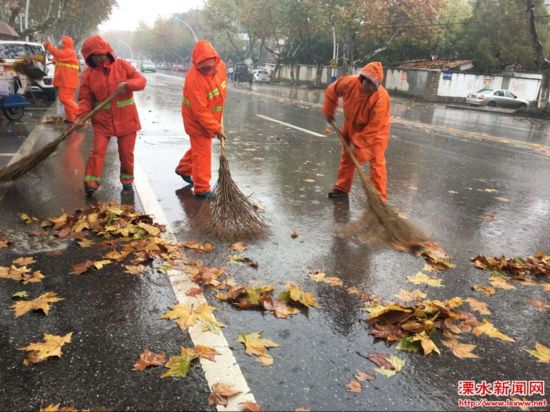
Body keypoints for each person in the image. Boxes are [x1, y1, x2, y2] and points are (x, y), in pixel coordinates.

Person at [74, 35, 146, 195]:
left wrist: (128, 84)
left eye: (101, 55)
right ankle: (91, 183)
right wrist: (80, 117)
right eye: (95, 56)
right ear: (89, 57)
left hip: (127, 120)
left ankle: (127, 181)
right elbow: (85, 98)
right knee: (97, 152)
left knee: (126, 154)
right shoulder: (88, 74)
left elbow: (141, 80)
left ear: (107, 52)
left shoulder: (122, 66)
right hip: (102, 122)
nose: (99, 59)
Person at [323, 61, 391, 201]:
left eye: (375, 86)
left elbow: (373, 128)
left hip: (376, 130)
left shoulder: (381, 98)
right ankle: (341, 189)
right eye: (370, 85)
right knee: (348, 156)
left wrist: (357, 143)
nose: (372, 89)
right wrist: (329, 111)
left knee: (376, 160)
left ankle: (379, 200)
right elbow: (332, 90)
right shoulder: (349, 83)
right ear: (362, 80)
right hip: (352, 123)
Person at [175, 40, 227, 198]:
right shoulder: (194, 80)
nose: (208, 69)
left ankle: (184, 168)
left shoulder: (221, 67)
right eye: (204, 67)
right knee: (203, 151)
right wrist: (216, 128)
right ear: (197, 64)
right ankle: (202, 188)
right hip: (195, 120)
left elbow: (222, 88)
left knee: (199, 148)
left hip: (212, 117)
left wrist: (217, 118)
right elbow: (200, 111)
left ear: (215, 61)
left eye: (210, 66)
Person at [44, 36, 79, 123]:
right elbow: (60, 57)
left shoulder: (68, 52)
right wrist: (54, 61)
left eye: (62, 41)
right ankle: (71, 118)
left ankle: (81, 114)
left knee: (64, 98)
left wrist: (49, 46)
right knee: (68, 100)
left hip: (67, 81)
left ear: (66, 43)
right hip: (67, 81)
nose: (60, 42)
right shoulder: (68, 52)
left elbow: (58, 54)